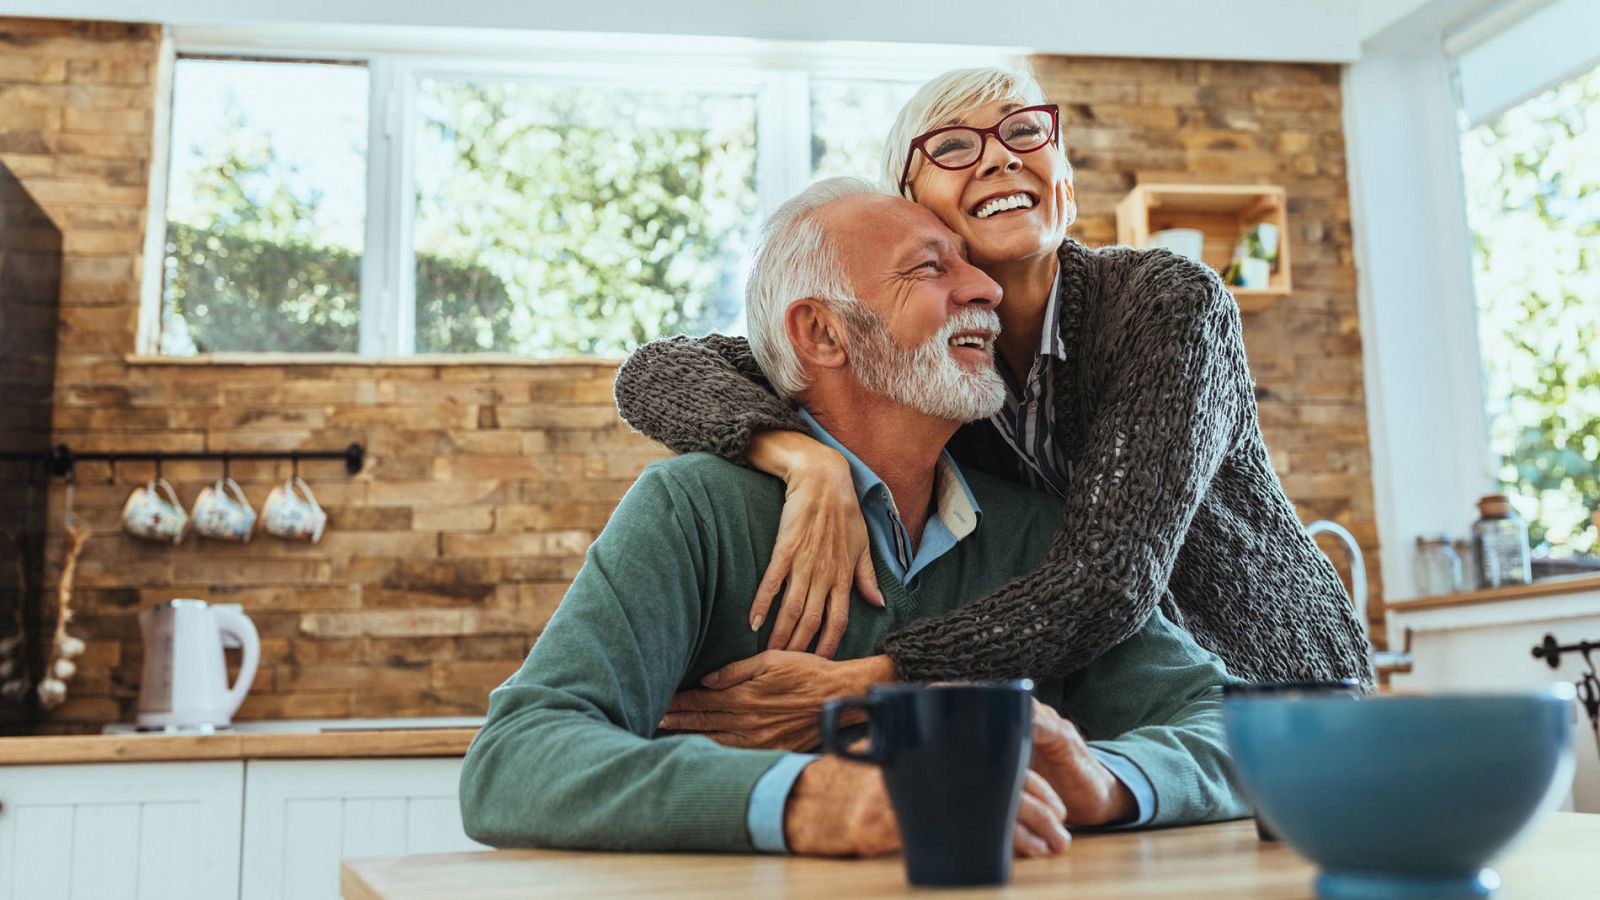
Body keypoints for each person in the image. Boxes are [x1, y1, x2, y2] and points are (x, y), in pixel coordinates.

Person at [459, 179, 1247, 856]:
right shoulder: (693, 510)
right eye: (931, 269)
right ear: (822, 332)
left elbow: (1233, 728)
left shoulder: (1037, 535)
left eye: (970, 265)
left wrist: (1107, 782)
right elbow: (516, 759)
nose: (986, 289)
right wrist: (814, 799)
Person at [612, 67, 1371, 747]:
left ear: (1065, 185)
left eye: (1023, 131)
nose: (1002, 156)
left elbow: (1108, 580)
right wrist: (801, 457)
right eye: (951, 147)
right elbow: (657, 371)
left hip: (1273, 688)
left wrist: (868, 680)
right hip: (1113, 719)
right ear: (913, 210)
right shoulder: (922, 362)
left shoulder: (1166, 304)